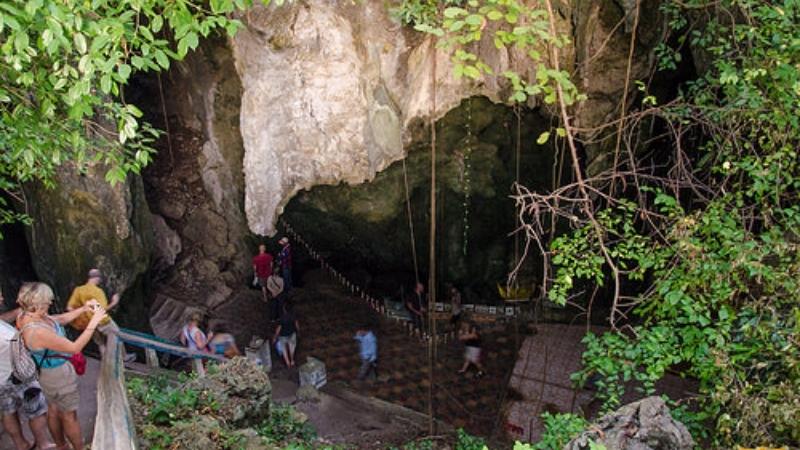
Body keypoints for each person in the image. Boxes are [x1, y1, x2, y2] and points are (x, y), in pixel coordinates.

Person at [17, 282, 107, 450]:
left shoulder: (26, 315)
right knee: (69, 415)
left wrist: (83, 309)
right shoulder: (37, 332)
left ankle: (61, 445)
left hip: (47, 373)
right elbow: (74, 348)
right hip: (58, 375)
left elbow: (59, 319)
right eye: (47, 300)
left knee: (53, 408)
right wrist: (93, 322)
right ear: (37, 304)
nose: (50, 302)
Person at [0, 290, 51, 450]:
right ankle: (43, 444)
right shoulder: (6, 337)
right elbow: (23, 340)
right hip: (17, 374)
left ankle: (21, 445)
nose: (2, 297)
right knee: (37, 410)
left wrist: (17, 312)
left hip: (1, 378)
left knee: (8, 411)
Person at [66, 268, 134, 362]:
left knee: (101, 344)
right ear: (97, 278)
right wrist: (114, 302)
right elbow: (102, 310)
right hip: (103, 321)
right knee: (117, 337)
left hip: (90, 323)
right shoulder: (98, 292)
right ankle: (124, 357)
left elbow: (69, 308)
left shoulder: (79, 290)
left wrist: (84, 313)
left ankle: (105, 362)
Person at [272, 302, 299, 368]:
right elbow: (297, 325)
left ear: (284, 309)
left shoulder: (282, 319)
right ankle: (292, 360)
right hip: (292, 334)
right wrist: (298, 331)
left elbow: (278, 329)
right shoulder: (293, 316)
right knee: (292, 348)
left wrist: (275, 337)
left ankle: (288, 363)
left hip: (283, 336)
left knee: (284, 349)